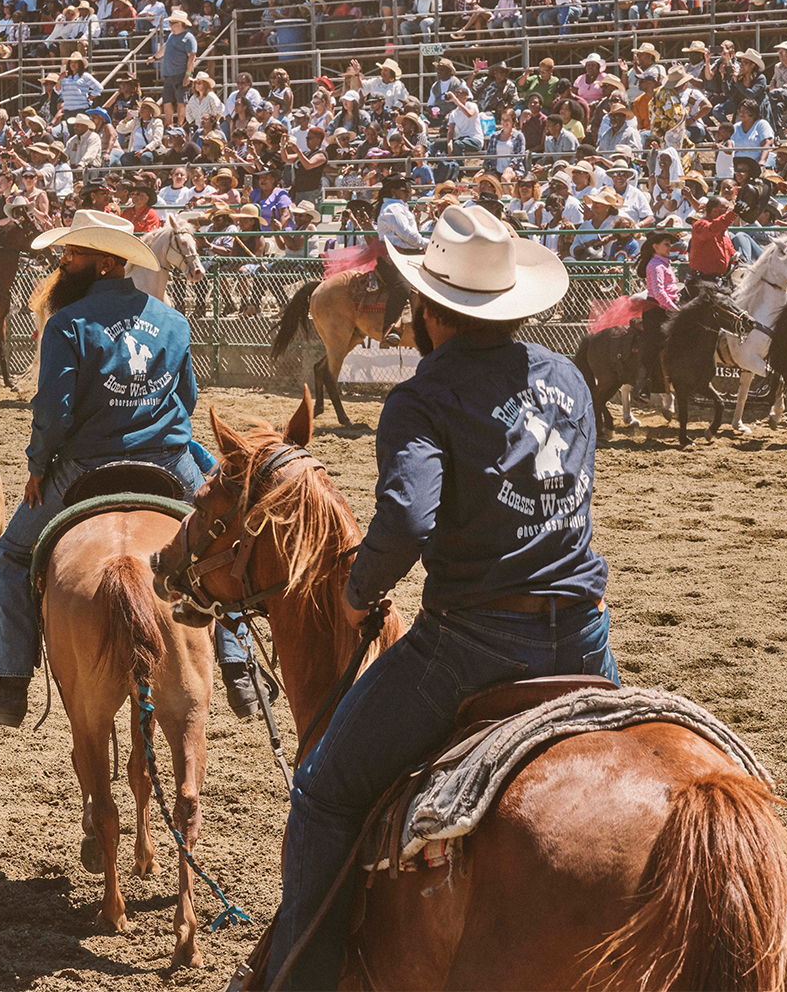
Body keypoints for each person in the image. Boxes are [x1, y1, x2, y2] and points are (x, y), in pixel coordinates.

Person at [264, 204, 615, 990]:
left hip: (472, 641)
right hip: (583, 634)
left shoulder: (424, 396)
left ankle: (297, 978)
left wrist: (360, 592)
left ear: (426, 309)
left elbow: (410, 519)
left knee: (324, 788)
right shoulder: (566, 378)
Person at [0, 210, 257, 726]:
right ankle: (239, 666)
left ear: (105, 263)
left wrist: (38, 465)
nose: (64, 262)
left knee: (12, 555)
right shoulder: (172, 320)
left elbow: (54, 412)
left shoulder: (66, 324)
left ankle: (11, 682)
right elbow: (187, 399)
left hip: (86, 465)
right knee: (226, 541)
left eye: (73, 254)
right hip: (169, 458)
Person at [374, 174, 424, 348]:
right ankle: (388, 330)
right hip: (391, 258)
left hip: (406, 255)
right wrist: (430, 243)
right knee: (401, 286)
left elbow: (411, 236)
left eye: (409, 190)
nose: (408, 193)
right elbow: (409, 236)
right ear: (393, 191)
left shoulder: (399, 208)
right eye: (404, 189)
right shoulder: (392, 209)